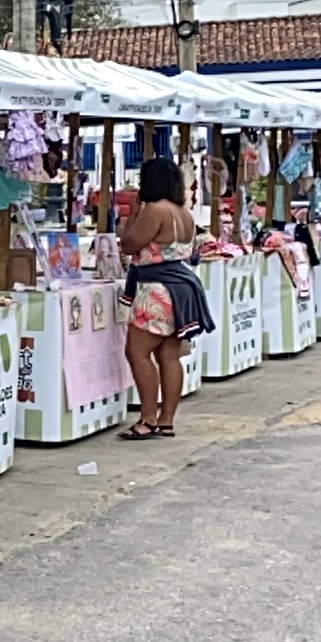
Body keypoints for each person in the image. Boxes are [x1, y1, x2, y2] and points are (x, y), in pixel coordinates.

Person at [117, 158, 213, 440]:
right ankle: (166, 420)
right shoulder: (184, 213)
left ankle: (147, 418)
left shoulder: (155, 210)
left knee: (137, 352)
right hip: (180, 287)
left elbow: (129, 244)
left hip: (156, 289)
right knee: (169, 355)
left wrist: (132, 215)